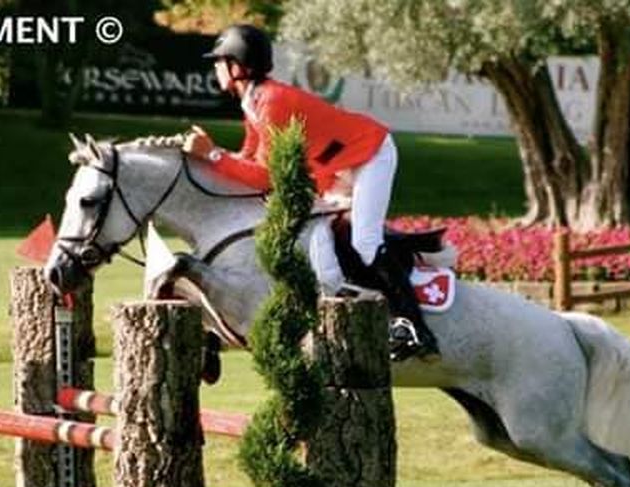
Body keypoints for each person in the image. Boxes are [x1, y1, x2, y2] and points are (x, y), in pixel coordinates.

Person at [182, 23, 439, 361]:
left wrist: (212, 155)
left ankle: (415, 328)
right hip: (338, 165)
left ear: (238, 65)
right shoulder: (254, 101)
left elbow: (266, 177)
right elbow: (249, 157)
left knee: (364, 241)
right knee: (329, 232)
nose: (215, 68)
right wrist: (208, 160)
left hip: (370, 154)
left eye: (219, 61)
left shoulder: (270, 101)